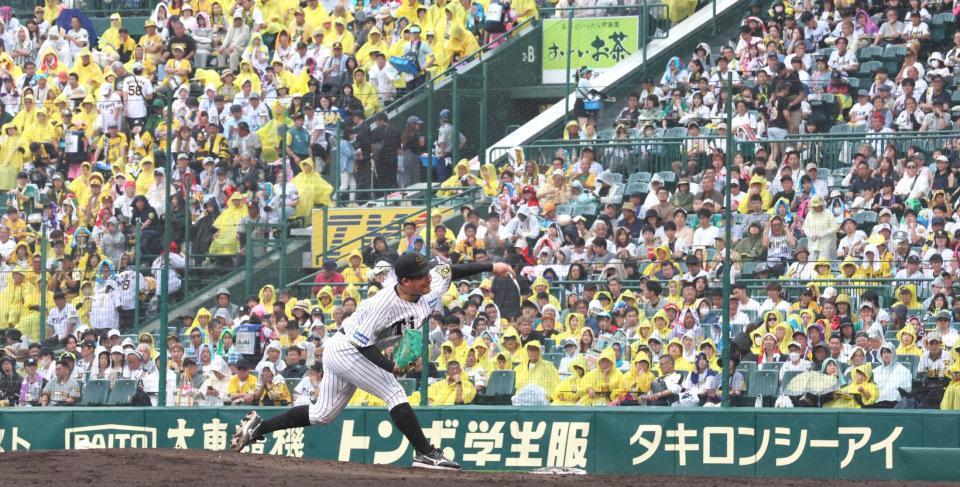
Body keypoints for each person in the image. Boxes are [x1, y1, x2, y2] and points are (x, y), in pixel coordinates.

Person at [232, 253, 515, 470]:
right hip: (348, 349)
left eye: (427, 274)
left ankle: (259, 426)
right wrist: (390, 367)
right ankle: (425, 452)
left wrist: (492, 267)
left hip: (349, 347)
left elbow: (451, 270)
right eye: (421, 277)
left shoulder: (431, 281)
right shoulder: (383, 305)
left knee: (323, 414)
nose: (429, 280)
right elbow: (362, 344)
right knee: (393, 390)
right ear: (405, 282)